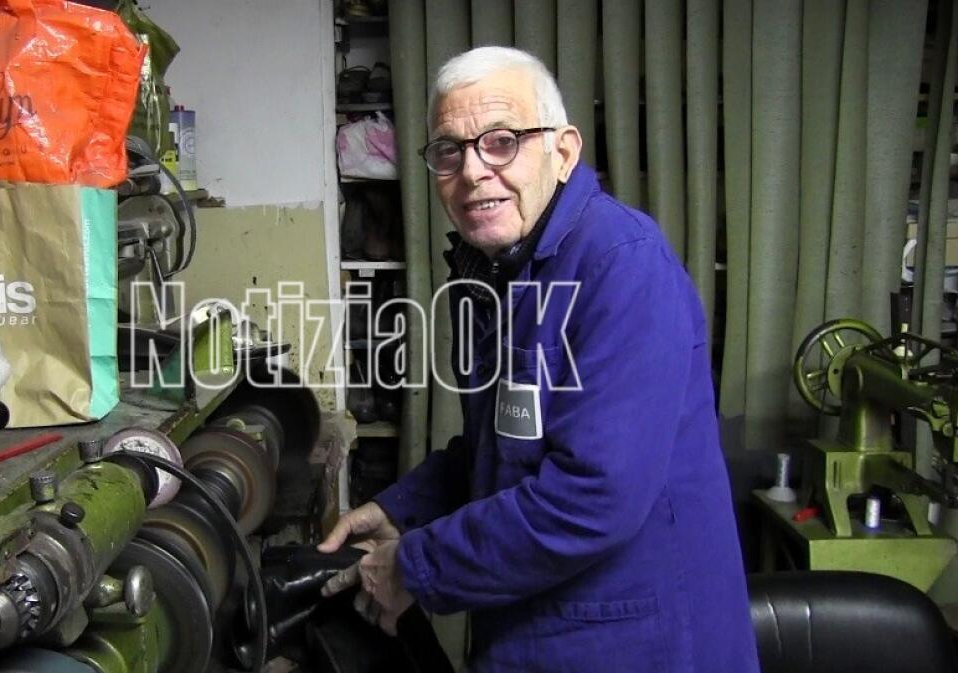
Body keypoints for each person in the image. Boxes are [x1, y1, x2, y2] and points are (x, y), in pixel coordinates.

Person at [318, 46, 759, 673]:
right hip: (535, 627)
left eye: (501, 141)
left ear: (564, 150)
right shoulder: (502, 270)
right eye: (449, 151)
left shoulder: (619, 266)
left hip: (627, 644)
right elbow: (508, 445)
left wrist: (415, 565)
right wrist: (402, 509)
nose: (472, 171)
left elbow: (593, 495)